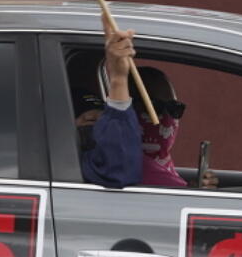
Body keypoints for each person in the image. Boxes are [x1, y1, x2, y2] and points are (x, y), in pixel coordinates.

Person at [74, 19, 217, 189]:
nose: (164, 117)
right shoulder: (120, 164)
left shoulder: (160, 165)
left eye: (174, 109)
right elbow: (119, 162)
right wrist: (118, 79)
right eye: (153, 107)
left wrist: (196, 188)